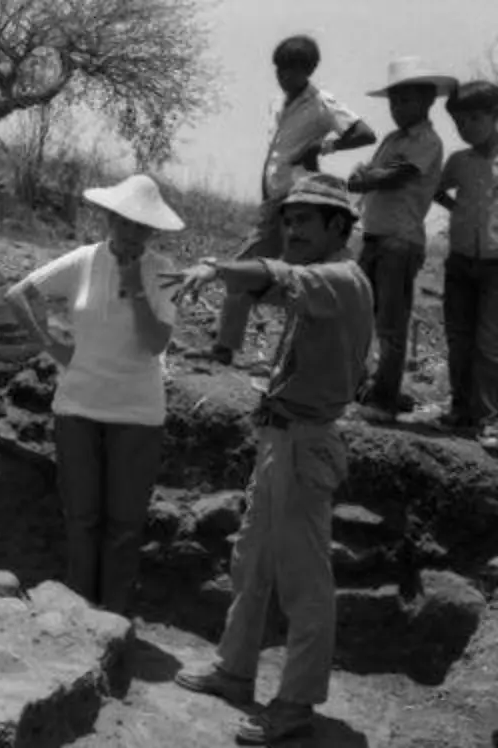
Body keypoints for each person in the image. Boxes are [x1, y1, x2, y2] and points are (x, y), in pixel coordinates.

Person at [164, 173, 374, 746]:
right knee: (251, 560)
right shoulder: (328, 281)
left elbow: (279, 279)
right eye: (288, 218)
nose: (292, 228)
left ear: (338, 226)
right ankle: (235, 670)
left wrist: (216, 268)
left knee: (305, 584)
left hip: (305, 443)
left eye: (306, 219)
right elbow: (278, 280)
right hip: (283, 438)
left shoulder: (341, 280)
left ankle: (297, 704)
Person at [4, 174, 183, 615]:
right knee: (81, 520)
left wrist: (134, 283)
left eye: (143, 227)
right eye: (125, 223)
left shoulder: (163, 273)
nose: (133, 234)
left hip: (138, 414)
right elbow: (18, 294)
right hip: (78, 406)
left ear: (153, 232)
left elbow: (156, 343)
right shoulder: (84, 260)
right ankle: (81, 616)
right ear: (109, 219)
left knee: (124, 525)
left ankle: (115, 619)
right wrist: (51, 344)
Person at [188, 35, 375, 366]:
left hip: (298, 201)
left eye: (293, 71)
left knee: (282, 275)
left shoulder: (321, 103)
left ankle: (250, 353)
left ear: (309, 70)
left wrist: (323, 147)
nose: (285, 77)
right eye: (281, 70)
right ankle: (232, 348)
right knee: (261, 270)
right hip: (276, 201)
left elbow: (363, 133)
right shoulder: (278, 103)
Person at [350, 57, 455, 421]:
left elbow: (398, 175)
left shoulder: (427, 140)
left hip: (400, 240)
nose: (397, 109)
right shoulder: (393, 138)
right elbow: (376, 173)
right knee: (361, 313)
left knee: (391, 324)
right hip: (375, 235)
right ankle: (360, 386)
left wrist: (364, 178)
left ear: (427, 101)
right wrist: (363, 175)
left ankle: (384, 400)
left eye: (406, 101)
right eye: (394, 102)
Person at [433, 79, 498, 452]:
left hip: (495, 264)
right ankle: (461, 409)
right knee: (459, 339)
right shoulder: (458, 161)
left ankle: (488, 418)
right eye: (460, 121)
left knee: (490, 343)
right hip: (460, 259)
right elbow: (436, 189)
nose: (467, 127)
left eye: (475, 118)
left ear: (494, 116)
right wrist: (455, 210)